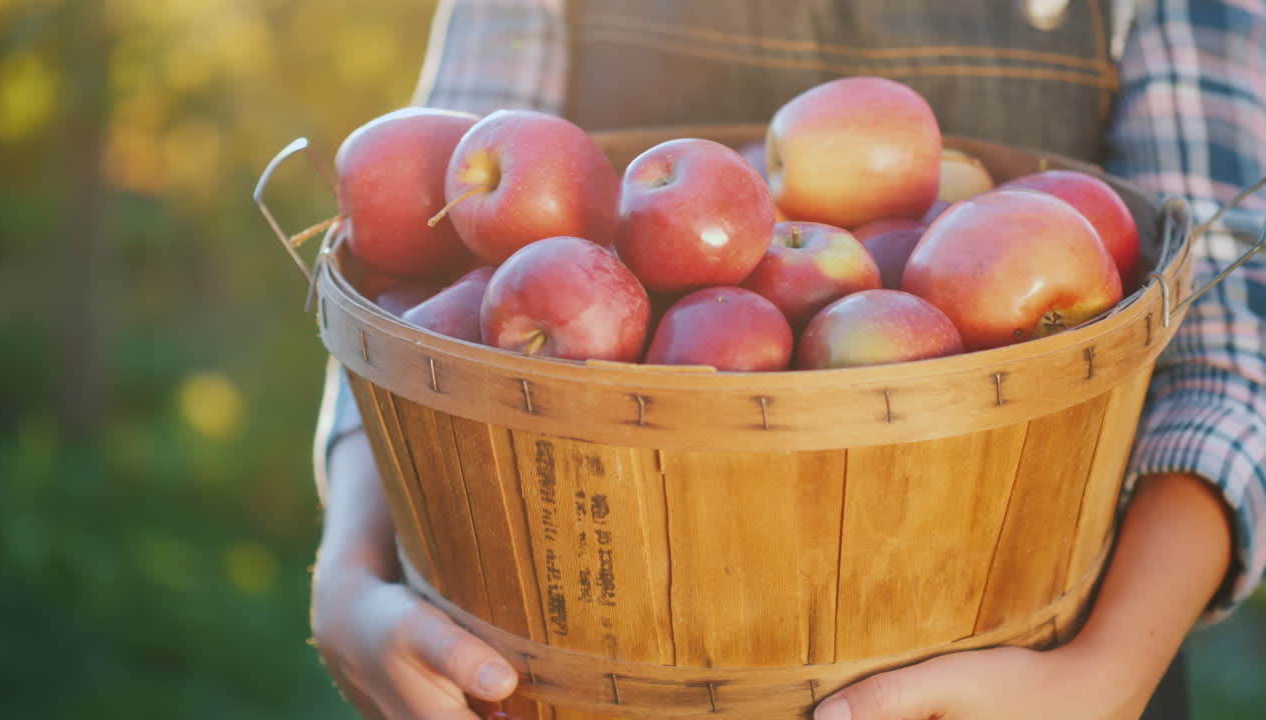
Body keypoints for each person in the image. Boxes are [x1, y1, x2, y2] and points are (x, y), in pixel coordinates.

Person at [308, 1, 1266, 718]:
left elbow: (1224, 338)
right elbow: (432, 262)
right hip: (586, 634)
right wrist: (351, 565)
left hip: (1045, 663)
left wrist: (1104, 675)